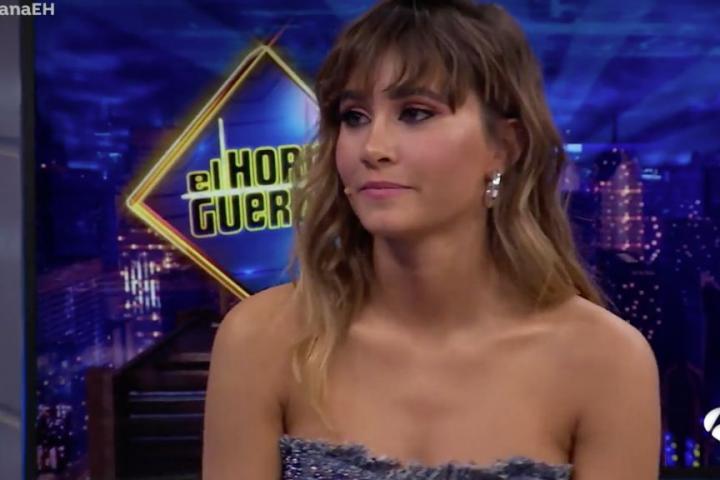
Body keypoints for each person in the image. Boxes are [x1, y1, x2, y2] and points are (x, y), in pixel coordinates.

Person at [202, 1, 661, 479]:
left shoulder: (606, 362)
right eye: (354, 117)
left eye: (416, 113)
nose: (373, 148)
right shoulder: (263, 340)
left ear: (505, 147)